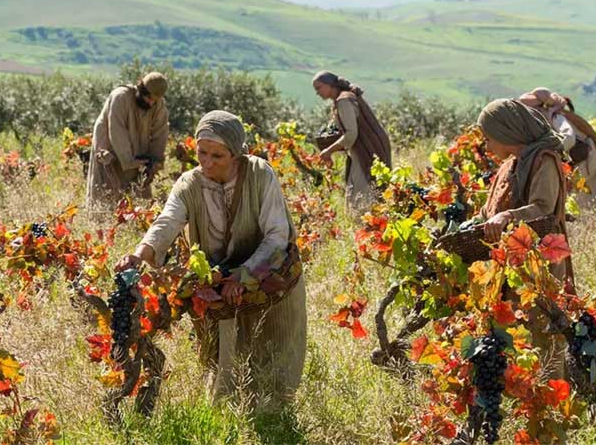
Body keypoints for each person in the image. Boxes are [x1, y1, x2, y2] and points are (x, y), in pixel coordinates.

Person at [114, 110, 306, 405]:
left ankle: (272, 416)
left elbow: (277, 237)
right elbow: (166, 222)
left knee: (273, 354)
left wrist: (244, 275)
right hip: (217, 281)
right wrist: (139, 256)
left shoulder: (259, 175)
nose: (206, 162)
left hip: (268, 273)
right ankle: (225, 412)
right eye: (201, 152)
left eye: (217, 156)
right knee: (221, 357)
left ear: (236, 155)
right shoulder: (189, 184)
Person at [476, 98, 573, 375]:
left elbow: (543, 208)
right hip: (511, 259)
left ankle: (553, 398)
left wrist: (507, 217)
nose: (486, 146)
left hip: (540, 261)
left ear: (507, 135)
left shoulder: (545, 162)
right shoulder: (512, 164)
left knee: (543, 329)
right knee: (509, 329)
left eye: (489, 138)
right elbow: (489, 209)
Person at [517, 87, 596, 217]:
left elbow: (569, 139)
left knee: (584, 197)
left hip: (585, 158)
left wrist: (548, 149)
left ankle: (592, 225)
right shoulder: (547, 116)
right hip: (575, 160)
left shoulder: (556, 116)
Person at [86, 72, 170, 211]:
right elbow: (116, 130)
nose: (151, 103)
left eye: (154, 100)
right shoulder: (120, 97)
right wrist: (129, 161)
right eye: (149, 98)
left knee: (138, 198)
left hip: (136, 151)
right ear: (141, 89)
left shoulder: (158, 105)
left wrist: (154, 162)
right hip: (109, 147)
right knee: (106, 194)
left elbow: (160, 133)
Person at [312, 71, 391, 210]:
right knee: (365, 191)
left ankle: (367, 227)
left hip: (367, 150)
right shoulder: (344, 98)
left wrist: (328, 151)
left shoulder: (344, 101)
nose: (317, 93)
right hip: (369, 148)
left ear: (330, 85)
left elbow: (351, 134)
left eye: (319, 87)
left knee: (362, 196)